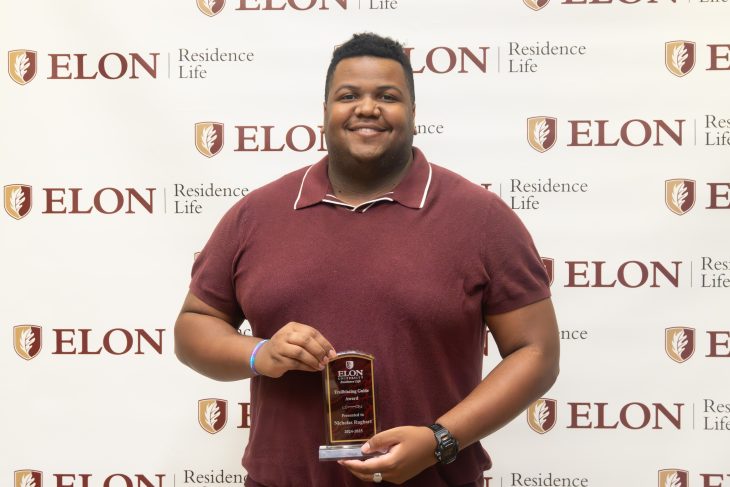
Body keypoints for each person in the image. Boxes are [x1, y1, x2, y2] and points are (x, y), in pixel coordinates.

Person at [175, 33, 559, 487]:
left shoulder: (481, 218)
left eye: (388, 96)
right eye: (349, 95)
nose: (367, 108)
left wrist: (440, 440)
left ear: (414, 114)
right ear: (324, 113)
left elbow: (537, 352)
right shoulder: (256, 215)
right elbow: (193, 327)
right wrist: (260, 352)